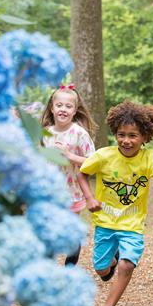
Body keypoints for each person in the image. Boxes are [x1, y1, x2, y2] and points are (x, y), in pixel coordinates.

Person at [78, 100, 153, 306]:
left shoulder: (148, 158)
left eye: (132, 135)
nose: (126, 140)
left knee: (127, 264)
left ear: (144, 137)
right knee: (102, 270)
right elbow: (82, 173)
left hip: (132, 226)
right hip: (105, 223)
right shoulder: (103, 156)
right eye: (121, 134)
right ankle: (112, 259)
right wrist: (89, 197)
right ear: (115, 133)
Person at [40, 83, 96, 266]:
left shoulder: (79, 133)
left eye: (68, 106)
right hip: (49, 193)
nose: (63, 109)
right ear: (52, 107)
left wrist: (70, 156)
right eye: (59, 105)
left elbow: (93, 161)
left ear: (75, 110)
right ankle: (49, 268)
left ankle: (69, 269)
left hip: (72, 192)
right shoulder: (45, 133)